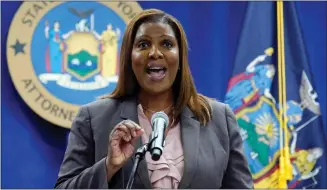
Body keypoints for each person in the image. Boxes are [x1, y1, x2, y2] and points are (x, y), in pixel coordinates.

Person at [54, 8, 253, 189]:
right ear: (129, 57)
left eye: (167, 44)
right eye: (143, 44)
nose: (155, 53)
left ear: (180, 56)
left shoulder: (218, 118)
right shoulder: (93, 118)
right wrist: (108, 166)